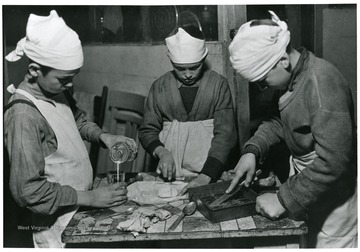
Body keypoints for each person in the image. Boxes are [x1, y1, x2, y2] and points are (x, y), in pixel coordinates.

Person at [4, 10, 136, 248]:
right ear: (34, 70)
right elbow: (28, 191)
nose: (71, 84)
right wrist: (91, 197)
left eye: (73, 77)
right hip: (56, 228)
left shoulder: (56, 90)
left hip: (80, 211)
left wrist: (105, 137)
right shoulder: (23, 116)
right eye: (64, 78)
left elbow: (78, 122)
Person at [227, 10, 357, 248]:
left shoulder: (322, 83)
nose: (263, 88)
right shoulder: (293, 77)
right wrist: (252, 151)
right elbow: (279, 121)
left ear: (282, 61)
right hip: (308, 184)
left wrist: (284, 199)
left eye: (263, 82)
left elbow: (335, 161)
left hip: (335, 198)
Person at [139, 25, 237, 194]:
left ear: (203, 59)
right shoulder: (160, 87)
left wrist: (206, 176)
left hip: (211, 170)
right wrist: (162, 152)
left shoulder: (218, 85)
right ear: (171, 61)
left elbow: (226, 134)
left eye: (194, 67)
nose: (188, 75)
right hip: (170, 174)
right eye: (180, 69)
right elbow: (147, 130)